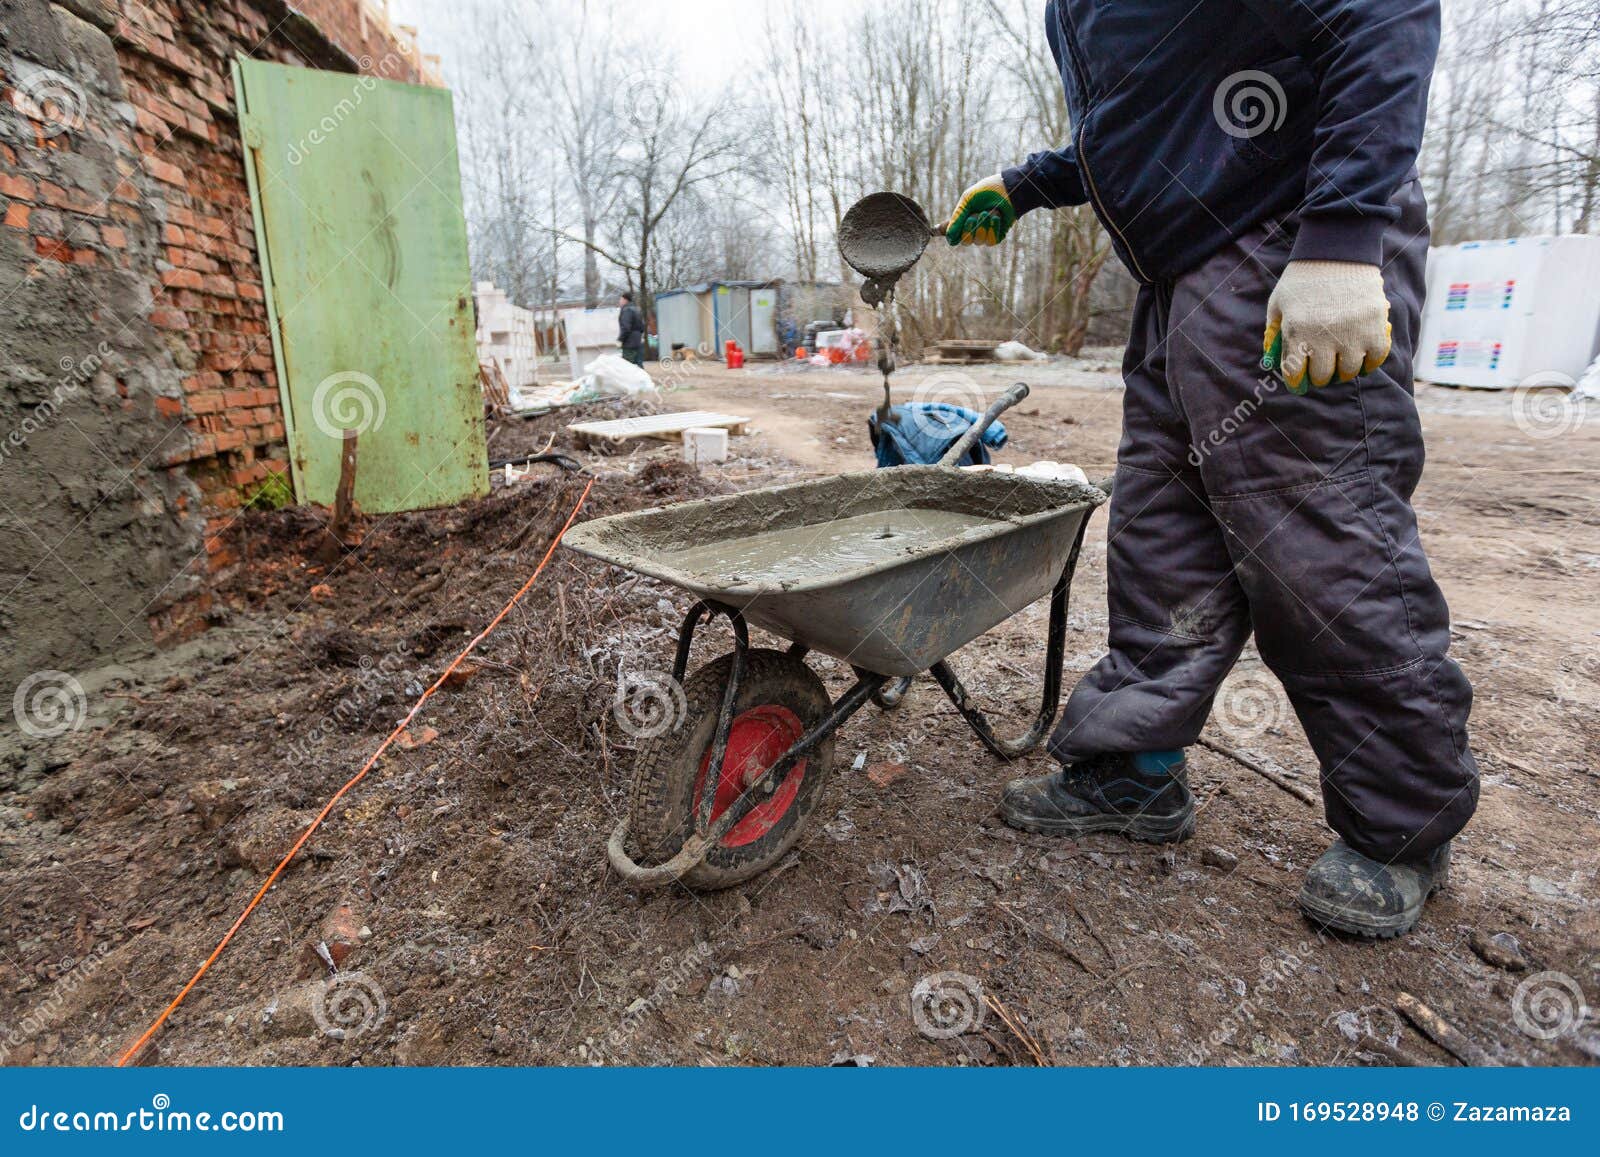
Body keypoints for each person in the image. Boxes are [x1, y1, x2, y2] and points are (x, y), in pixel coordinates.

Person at [944, 0, 1476, 939]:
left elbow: (1378, 12)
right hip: (1176, 278)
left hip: (1288, 239)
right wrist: (1028, 183)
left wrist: (1344, 238)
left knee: (1317, 539)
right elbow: (1160, 119)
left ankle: (1403, 823)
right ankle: (1135, 770)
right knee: (1160, 534)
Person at [617, 293, 646, 367]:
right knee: (639, 367)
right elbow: (642, 327)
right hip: (638, 342)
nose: (619, 301)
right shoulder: (637, 309)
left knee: (628, 367)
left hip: (629, 344)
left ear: (625, 300)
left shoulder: (627, 310)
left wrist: (620, 340)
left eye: (620, 299)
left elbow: (626, 328)